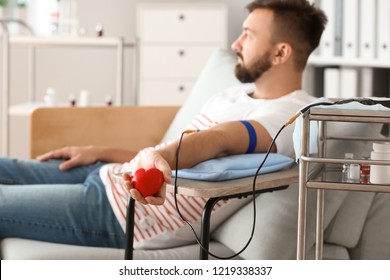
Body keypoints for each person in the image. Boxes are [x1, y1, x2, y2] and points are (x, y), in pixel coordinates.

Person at [0, 0, 327, 252]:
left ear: (281, 52)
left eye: (248, 35)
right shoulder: (233, 94)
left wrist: (162, 157)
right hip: (115, 175)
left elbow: (221, 139)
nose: (236, 44)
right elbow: (184, 161)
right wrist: (101, 152)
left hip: (131, 213)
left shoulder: (293, 114)